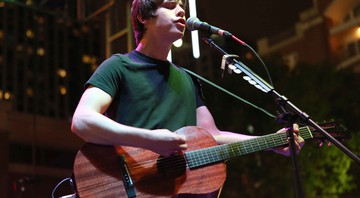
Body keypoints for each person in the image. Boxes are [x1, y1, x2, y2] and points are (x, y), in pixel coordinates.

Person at [71, 0, 304, 197]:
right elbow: (82, 121)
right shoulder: (118, 66)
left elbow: (212, 137)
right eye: (171, 5)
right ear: (143, 16)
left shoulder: (188, 79)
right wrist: (148, 140)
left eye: (182, 5)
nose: (181, 10)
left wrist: (269, 142)